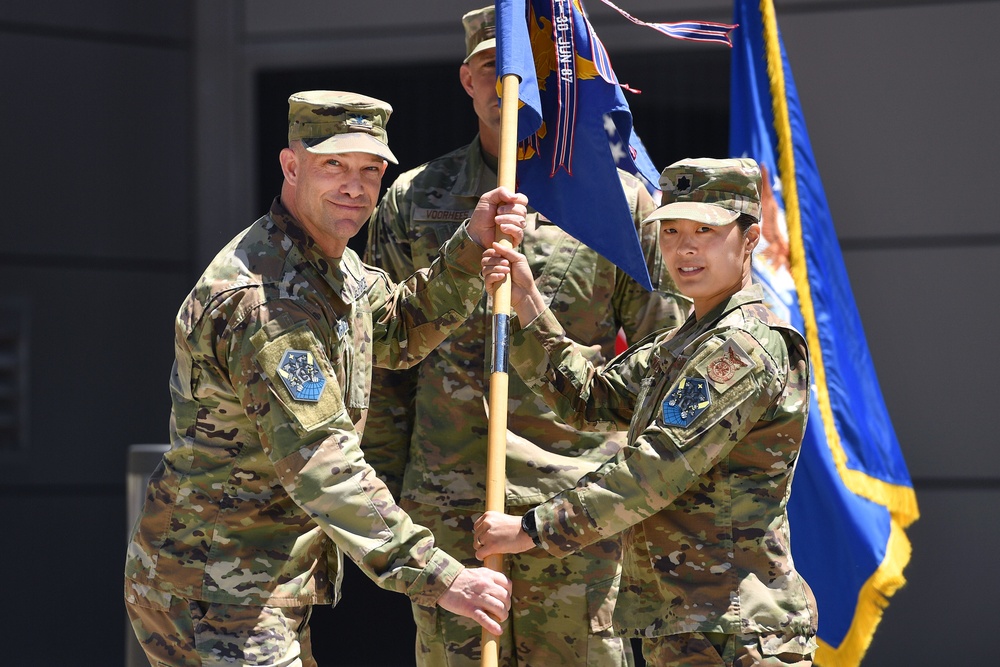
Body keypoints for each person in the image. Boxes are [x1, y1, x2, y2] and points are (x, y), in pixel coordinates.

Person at [124, 90, 527, 666]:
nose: (354, 186)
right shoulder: (264, 300)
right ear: (291, 167)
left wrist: (470, 247)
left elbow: (397, 328)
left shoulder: (334, 270)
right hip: (213, 583)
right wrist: (442, 577)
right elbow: (322, 461)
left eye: (370, 170)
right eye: (332, 165)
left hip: (259, 579)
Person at [361, 6, 691, 666]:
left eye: (523, 72)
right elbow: (383, 360)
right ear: (466, 79)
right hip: (449, 514)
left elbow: (665, 361)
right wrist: (393, 497)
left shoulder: (615, 205)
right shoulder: (412, 199)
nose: (506, 85)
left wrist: (627, 500)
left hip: (571, 515)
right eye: (491, 68)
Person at [475, 157, 819, 666]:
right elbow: (590, 400)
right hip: (688, 625)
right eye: (673, 230)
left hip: (736, 632)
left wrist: (532, 529)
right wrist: (527, 299)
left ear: (749, 240)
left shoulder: (741, 347)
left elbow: (651, 469)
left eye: (706, 230)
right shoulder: (683, 341)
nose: (685, 247)